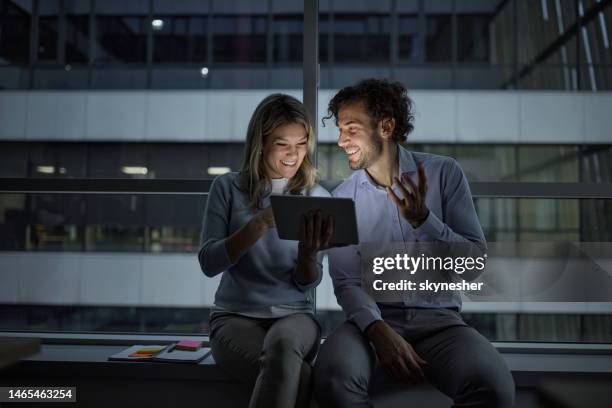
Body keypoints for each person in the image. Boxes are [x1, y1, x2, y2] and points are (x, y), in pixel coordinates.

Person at [313, 79, 515, 407]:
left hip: (441, 323)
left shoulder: (444, 173)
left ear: (386, 126)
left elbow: (472, 268)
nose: (340, 141)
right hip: (371, 320)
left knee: (494, 389)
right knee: (332, 381)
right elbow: (348, 282)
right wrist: (378, 331)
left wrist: (424, 221)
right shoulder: (343, 198)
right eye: (339, 129)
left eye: (350, 128)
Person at [198, 93, 334, 408]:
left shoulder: (316, 196)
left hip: (295, 316)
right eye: (282, 144)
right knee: (297, 377)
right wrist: (257, 225)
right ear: (261, 143)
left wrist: (308, 254)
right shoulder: (228, 188)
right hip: (233, 316)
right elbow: (208, 262)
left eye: (301, 144)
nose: (294, 154)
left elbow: (307, 283)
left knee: (284, 346)